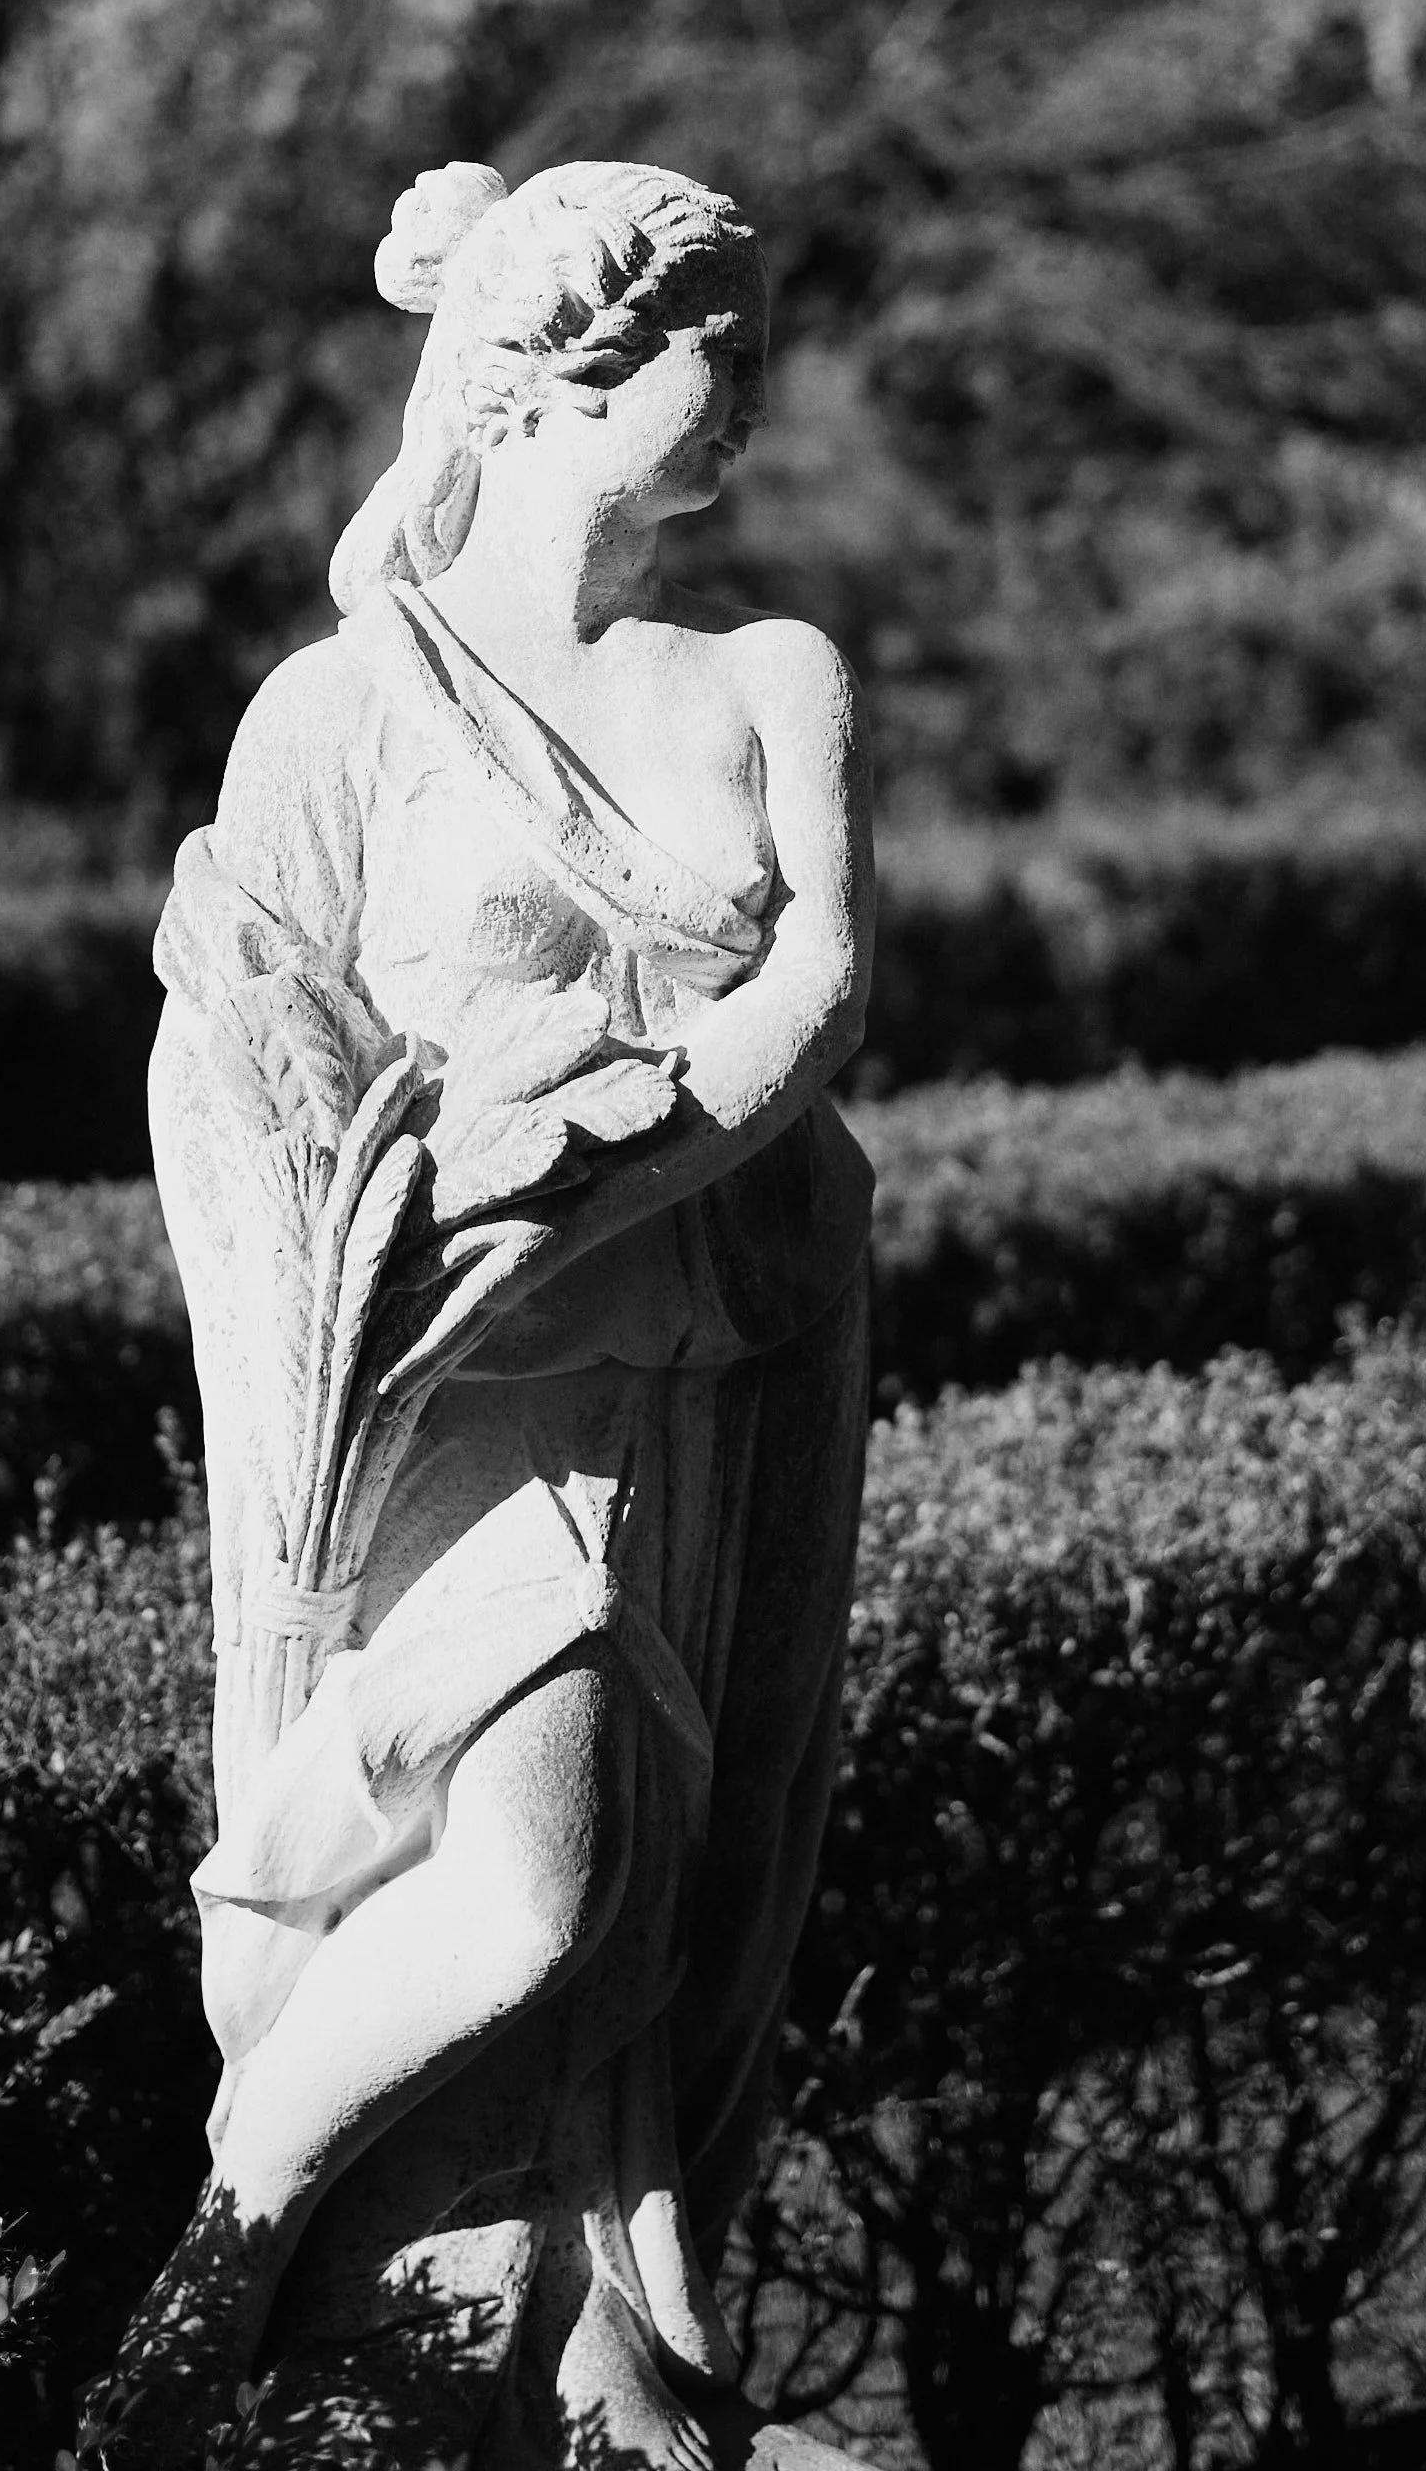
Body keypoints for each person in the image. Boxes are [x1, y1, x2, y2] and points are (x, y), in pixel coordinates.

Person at [108, 160, 874, 2468]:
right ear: (544, 373)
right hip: (469, 1410)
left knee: (649, 1921)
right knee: (530, 1900)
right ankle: (218, 2259)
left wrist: (621, 1146)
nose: (736, 395)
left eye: (747, 346)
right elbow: (239, 1048)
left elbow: (820, 981)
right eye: (696, 348)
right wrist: (416, 1221)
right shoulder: (342, 714)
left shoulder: (761, 676)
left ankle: (533, 2327)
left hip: (708, 1352)